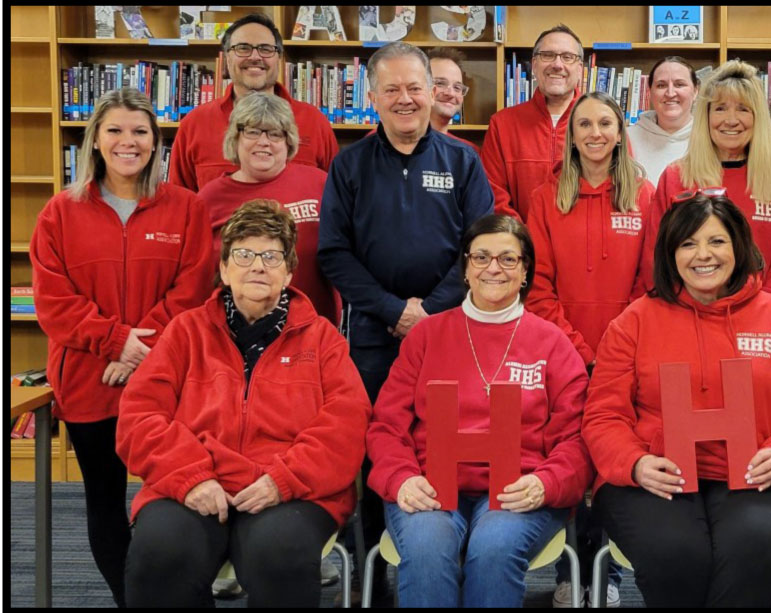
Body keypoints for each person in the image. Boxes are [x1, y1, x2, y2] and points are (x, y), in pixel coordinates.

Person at [116, 200, 370, 607]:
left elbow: (347, 424)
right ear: (224, 269)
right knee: (160, 555)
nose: (257, 266)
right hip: (194, 482)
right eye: (244, 254)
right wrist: (190, 476)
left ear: (288, 272)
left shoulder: (322, 338)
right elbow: (139, 416)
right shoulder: (185, 332)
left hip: (288, 489)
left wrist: (283, 480)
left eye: (271, 256)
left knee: (279, 557)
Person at [583, 193, 771, 607]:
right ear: (670, 253)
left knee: (748, 550)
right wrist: (635, 463)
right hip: (656, 477)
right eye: (688, 244)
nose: (703, 255)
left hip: (755, 478)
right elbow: (604, 415)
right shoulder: (635, 320)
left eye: (716, 242)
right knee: (677, 554)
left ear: (738, 246)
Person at [317, 40, 494, 605]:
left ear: (433, 92)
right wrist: (396, 312)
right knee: (376, 451)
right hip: (374, 334)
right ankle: (379, 580)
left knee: (454, 445)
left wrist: (430, 312)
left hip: (452, 334)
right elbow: (334, 253)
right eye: (390, 89)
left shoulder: (463, 161)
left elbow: (481, 247)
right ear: (371, 97)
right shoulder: (349, 165)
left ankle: (455, 564)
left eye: (414, 87)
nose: (405, 99)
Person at [30, 87, 212, 607]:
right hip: (90, 378)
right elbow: (53, 299)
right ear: (94, 140)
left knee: (180, 496)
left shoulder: (187, 209)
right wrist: (115, 344)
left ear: (157, 143)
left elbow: (193, 289)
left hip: (170, 382)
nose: (127, 141)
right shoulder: (60, 213)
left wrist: (141, 351)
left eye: (139, 131)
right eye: (114, 130)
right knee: (105, 501)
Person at [366, 215, 592, 607]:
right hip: (430, 484)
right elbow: (387, 426)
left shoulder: (554, 343)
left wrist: (547, 482)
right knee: (426, 546)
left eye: (508, 259)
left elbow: (576, 437)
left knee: (494, 547)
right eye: (481, 256)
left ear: (525, 272)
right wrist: (402, 479)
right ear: (466, 269)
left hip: (519, 489)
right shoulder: (425, 336)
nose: (493, 268)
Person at [523, 91, 653, 606]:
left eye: (606, 123)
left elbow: (653, 281)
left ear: (621, 132)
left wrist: (616, 349)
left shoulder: (644, 195)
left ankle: (612, 577)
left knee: (615, 464)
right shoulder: (546, 196)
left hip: (628, 355)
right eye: (585, 125)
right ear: (570, 136)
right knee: (568, 458)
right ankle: (567, 569)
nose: (596, 133)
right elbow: (537, 286)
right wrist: (579, 350)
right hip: (564, 356)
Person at [642, 60, 771, 315]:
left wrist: (758, 314)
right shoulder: (677, 177)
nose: (731, 120)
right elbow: (657, 254)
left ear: (758, 117)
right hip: (689, 315)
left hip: (760, 321)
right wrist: (688, 308)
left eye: (743, 109)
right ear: (706, 116)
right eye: (720, 108)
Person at [197, 92, 338, 325]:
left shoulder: (321, 184)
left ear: (289, 141)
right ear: (235, 139)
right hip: (236, 330)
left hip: (313, 329)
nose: (264, 142)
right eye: (252, 131)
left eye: (275, 133)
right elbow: (198, 279)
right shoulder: (209, 199)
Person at [169, 13, 337, 192]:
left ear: (279, 58)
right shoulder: (195, 124)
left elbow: (336, 196)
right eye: (243, 48)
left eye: (266, 49)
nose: (255, 57)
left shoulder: (314, 121)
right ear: (227, 58)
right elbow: (180, 203)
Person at [482, 24, 584, 221]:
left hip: (583, 247)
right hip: (521, 246)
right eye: (547, 55)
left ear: (580, 69)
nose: (557, 64)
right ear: (534, 64)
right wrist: (524, 238)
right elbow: (493, 194)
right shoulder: (502, 124)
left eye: (567, 57)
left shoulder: (602, 124)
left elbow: (617, 188)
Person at [627, 56, 699, 187]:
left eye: (679, 84)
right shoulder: (626, 138)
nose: (670, 93)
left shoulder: (711, 138)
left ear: (695, 91)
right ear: (650, 92)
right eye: (661, 85)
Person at [427, 47, 481, 152]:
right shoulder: (396, 145)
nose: (451, 94)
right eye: (440, 83)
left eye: (457, 87)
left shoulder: (468, 153)